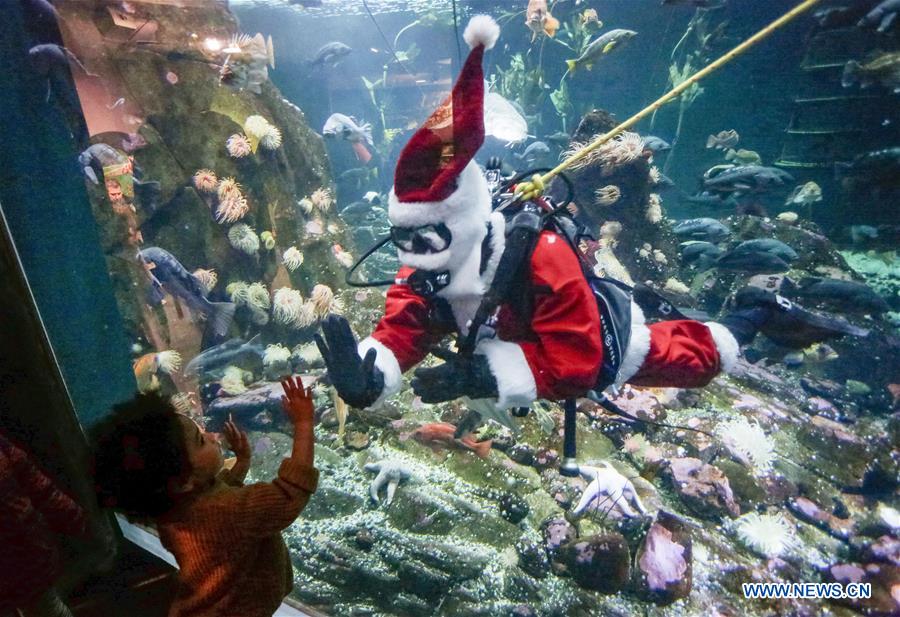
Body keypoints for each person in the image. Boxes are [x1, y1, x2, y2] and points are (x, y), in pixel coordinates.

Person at [315, 15, 863, 418]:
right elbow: (407, 317)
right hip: (499, 339)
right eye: (403, 238)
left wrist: (483, 375)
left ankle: (757, 310)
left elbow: (579, 359)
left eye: (426, 235)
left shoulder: (537, 253)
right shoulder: (426, 256)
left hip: (596, 341)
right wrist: (373, 370)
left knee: (697, 356)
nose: (414, 253)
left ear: (462, 220)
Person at [90, 377, 318, 617]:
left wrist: (242, 462)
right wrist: (303, 424)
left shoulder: (174, 508)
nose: (211, 436)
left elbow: (220, 495)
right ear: (183, 482)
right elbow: (288, 494)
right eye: (200, 440)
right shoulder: (225, 512)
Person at [0, 430, 87, 617]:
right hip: (24, 552)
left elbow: (33, 480)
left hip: (23, 554)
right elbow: (34, 480)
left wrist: (68, 511)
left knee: (48, 607)